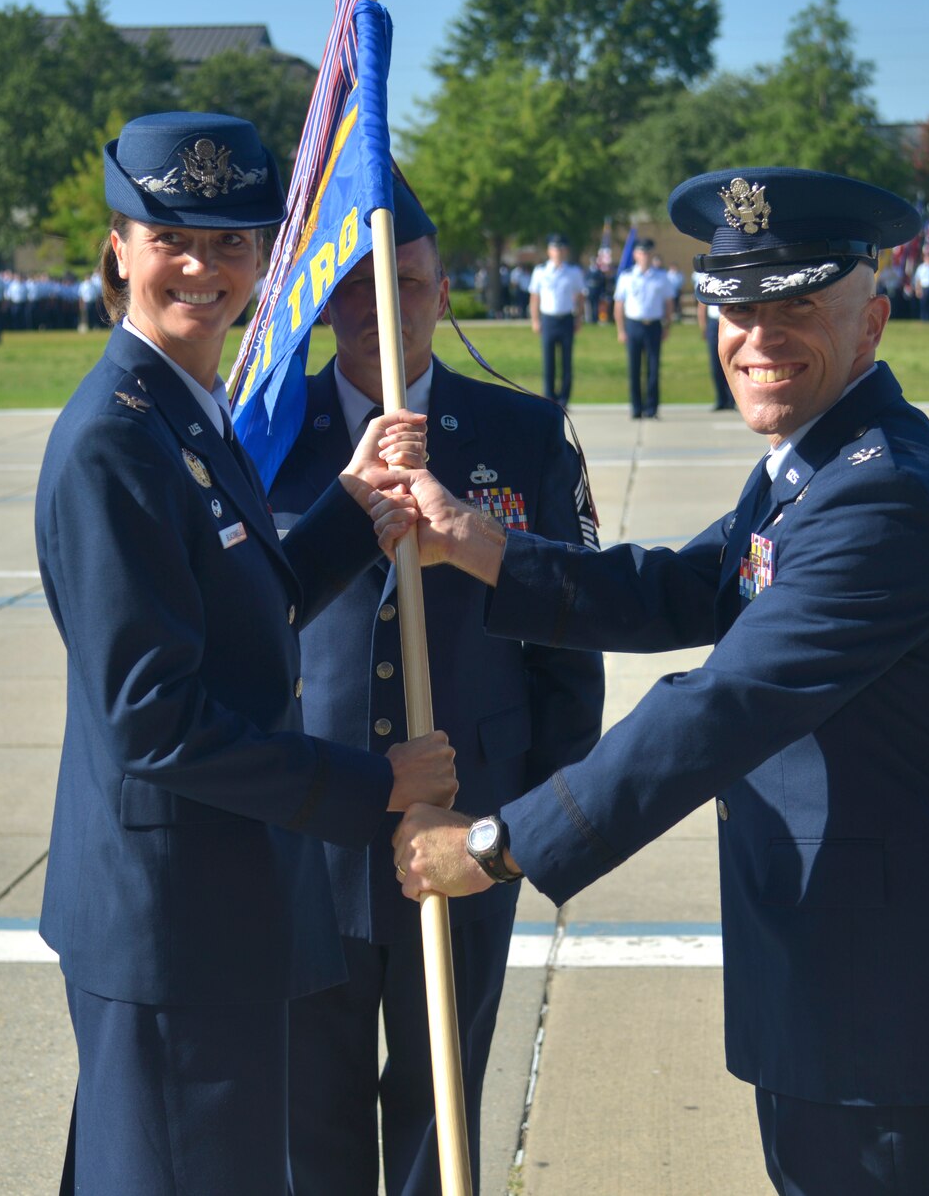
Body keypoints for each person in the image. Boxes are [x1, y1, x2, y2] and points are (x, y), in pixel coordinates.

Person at [385, 167, 929, 1196]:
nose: (756, 337)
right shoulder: (814, 465)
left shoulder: (877, 501)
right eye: (735, 308)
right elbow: (683, 586)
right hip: (832, 967)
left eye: (796, 305)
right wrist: (481, 545)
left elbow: (718, 709)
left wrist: (494, 846)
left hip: (884, 996)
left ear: (872, 321)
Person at [35, 112, 459, 1195]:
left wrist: (352, 503)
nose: (202, 268)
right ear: (117, 247)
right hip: (173, 914)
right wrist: (372, 787)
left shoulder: (183, 408)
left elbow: (238, 607)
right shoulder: (113, 442)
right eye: (171, 236)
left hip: (210, 902)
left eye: (231, 243)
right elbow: (153, 718)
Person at [270, 179, 604, 1196]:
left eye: (407, 284)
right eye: (360, 286)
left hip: (464, 826)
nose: (384, 307)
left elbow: (567, 648)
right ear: (326, 301)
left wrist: (528, 820)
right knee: (306, 1114)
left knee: (440, 1111)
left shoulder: (523, 433)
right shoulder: (264, 438)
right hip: (305, 826)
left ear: (443, 292)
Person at [614, 239, 673, 419]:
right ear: (635, 255)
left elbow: (668, 304)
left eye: (647, 253)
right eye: (641, 252)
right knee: (634, 368)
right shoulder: (627, 277)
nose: (644, 256)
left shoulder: (661, 277)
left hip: (653, 325)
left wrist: (667, 326)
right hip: (634, 325)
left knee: (653, 369)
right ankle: (636, 408)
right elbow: (618, 305)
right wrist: (621, 330)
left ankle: (652, 408)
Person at [527, 233, 586, 406]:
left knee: (566, 362)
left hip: (566, 318)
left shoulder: (573, 272)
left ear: (566, 251)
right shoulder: (541, 271)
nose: (558, 252)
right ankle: (550, 398)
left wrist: (579, 318)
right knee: (549, 361)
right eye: (555, 248)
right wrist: (535, 320)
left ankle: (564, 398)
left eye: (561, 248)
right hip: (548, 319)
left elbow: (580, 296)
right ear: (549, 251)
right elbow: (534, 297)